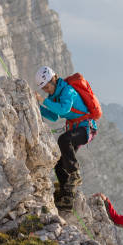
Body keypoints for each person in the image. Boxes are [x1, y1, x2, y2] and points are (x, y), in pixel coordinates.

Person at [35, 66, 97, 209]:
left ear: (54, 79)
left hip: (86, 129)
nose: (46, 90)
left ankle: (75, 174)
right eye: (43, 88)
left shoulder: (68, 90)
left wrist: (43, 100)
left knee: (64, 139)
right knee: (59, 165)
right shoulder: (53, 97)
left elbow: (64, 110)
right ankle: (67, 198)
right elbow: (54, 116)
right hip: (76, 130)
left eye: (47, 86)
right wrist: (37, 106)